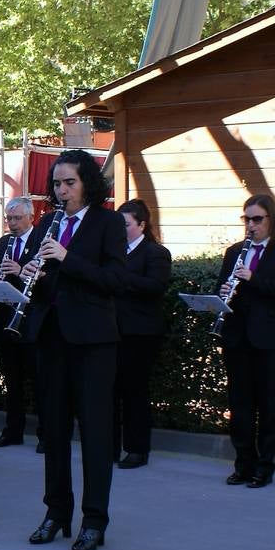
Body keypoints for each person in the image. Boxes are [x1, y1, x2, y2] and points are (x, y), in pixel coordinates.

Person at [18, 149, 125, 550]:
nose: (62, 191)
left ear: (87, 184)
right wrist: (35, 275)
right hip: (52, 338)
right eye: (57, 184)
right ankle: (56, 513)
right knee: (54, 432)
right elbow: (50, 284)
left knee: (96, 434)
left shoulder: (108, 223)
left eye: (70, 183)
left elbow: (115, 280)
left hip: (93, 342)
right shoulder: (49, 222)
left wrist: (67, 259)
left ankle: (94, 520)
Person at [217, 194, 275, 488]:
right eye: (247, 219)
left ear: (270, 220)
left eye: (257, 219)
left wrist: (253, 278)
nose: (251, 226)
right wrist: (226, 290)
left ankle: (264, 467)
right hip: (238, 339)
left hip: (271, 341)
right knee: (239, 406)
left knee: (269, 406)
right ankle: (243, 464)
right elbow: (220, 291)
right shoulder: (234, 252)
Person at [113, 199, 172, 469]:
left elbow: (155, 287)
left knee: (134, 391)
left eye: (125, 224)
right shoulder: (114, 251)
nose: (120, 229)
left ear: (142, 225)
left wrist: (121, 276)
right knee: (110, 390)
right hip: (113, 329)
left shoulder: (155, 252)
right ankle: (110, 446)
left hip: (140, 332)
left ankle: (137, 449)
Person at [0, 196, 40, 450]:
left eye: (17, 218)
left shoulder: (41, 242)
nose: (12, 223)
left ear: (32, 217)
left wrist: (18, 271)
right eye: (9, 218)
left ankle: (46, 435)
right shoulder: (3, 243)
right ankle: (13, 431)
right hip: (7, 319)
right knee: (13, 381)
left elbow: (45, 282)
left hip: (32, 321)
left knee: (40, 380)